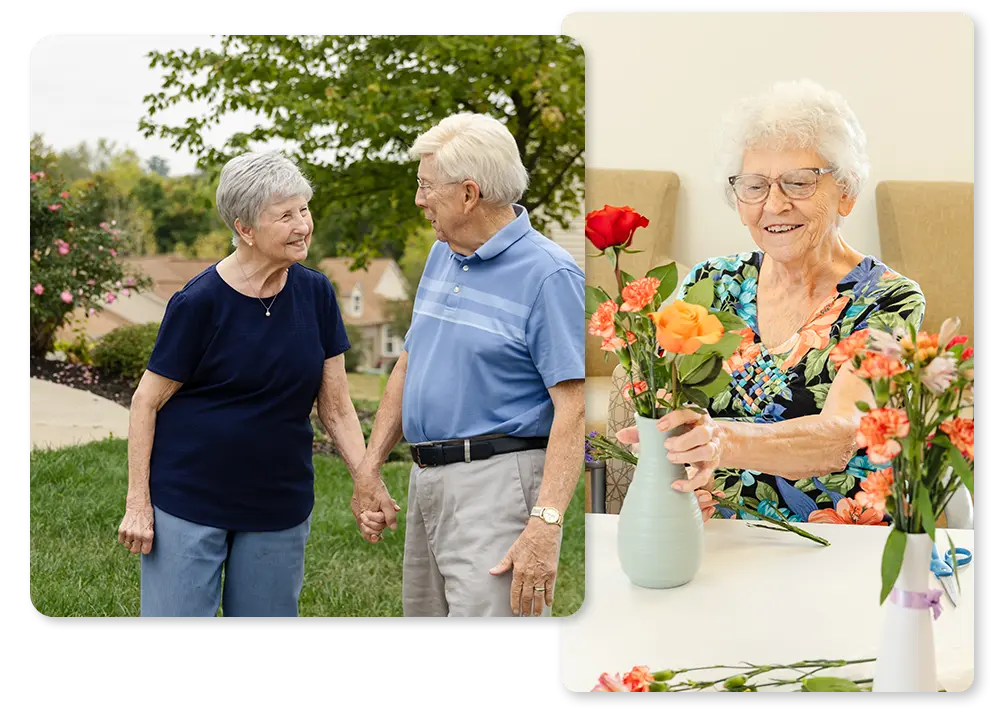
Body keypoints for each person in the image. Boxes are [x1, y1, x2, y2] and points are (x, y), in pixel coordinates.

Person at [617, 80, 925, 525]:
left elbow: (842, 435)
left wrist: (722, 440)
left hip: (836, 542)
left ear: (846, 191)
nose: (774, 205)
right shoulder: (712, 282)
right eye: (754, 186)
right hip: (718, 537)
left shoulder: (888, 299)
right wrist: (678, 475)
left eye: (799, 183)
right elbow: (660, 405)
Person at [116, 151, 398, 616]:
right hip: (191, 500)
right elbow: (146, 402)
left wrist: (366, 479)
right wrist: (138, 504)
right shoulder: (199, 302)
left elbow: (337, 407)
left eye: (304, 210)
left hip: (278, 506)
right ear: (245, 228)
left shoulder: (317, 294)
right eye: (285, 215)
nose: (303, 225)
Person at [356, 112, 585, 616]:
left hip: (498, 486)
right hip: (427, 481)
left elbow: (572, 408)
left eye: (425, 187)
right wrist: (370, 467)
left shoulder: (549, 275)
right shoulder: (444, 253)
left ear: (468, 194)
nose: (419, 200)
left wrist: (545, 524)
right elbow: (409, 364)